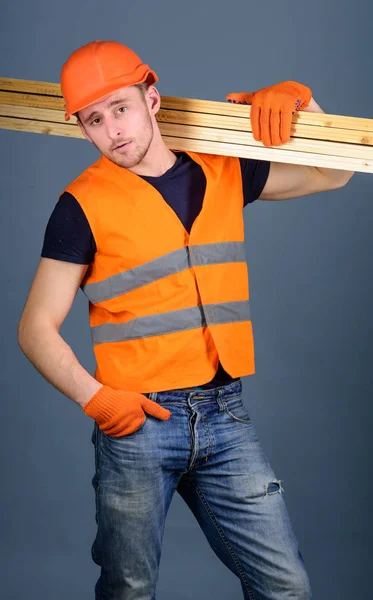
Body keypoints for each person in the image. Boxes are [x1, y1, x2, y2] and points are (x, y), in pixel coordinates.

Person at [17, 40, 354, 600]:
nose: (113, 129)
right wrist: (95, 397)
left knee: (286, 588)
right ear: (83, 130)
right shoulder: (81, 204)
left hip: (225, 415)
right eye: (94, 120)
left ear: (152, 98)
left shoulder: (223, 171)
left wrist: (303, 104)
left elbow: (333, 174)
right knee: (129, 589)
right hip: (139, 421)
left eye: (121, 108)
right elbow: (35, 327)